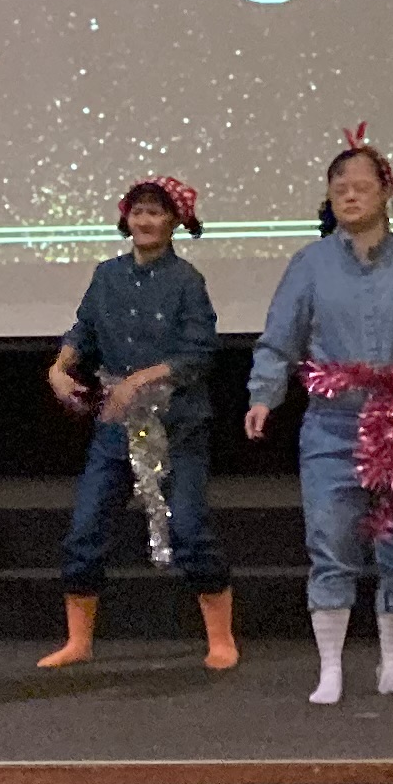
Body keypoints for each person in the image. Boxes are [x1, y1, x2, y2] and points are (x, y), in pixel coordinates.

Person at [247, 129, 393, 707]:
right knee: (331, 542)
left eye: (362, 186)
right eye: (339, 187)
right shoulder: (310, 263)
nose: (349, 195)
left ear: (386, 192)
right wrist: (263, 394)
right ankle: (330, 669)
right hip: (332, 424)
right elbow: (280, 337)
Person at [39, 174, 238, 675]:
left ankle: (221, 639)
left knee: (189, 528)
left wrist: (139, 380)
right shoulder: (107, 275)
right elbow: (83, 330)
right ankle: (78, 641)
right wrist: (59, 368)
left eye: (156, 212)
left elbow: (199, 352)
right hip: (117, 426)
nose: (145, 221)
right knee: (85, 528)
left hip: (177, 424)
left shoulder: (187, 280)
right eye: (138, 211)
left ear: (174, 221)